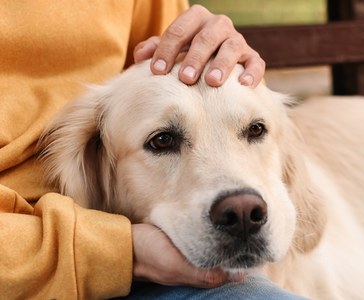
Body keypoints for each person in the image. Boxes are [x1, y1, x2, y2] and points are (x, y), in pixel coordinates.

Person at [0, 1, 302, 299]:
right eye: (163, 141)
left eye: (254, 130)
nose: (240, 205)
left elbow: (170, 60)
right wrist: (122, 251)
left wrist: (208, 42)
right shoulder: (85, 153)